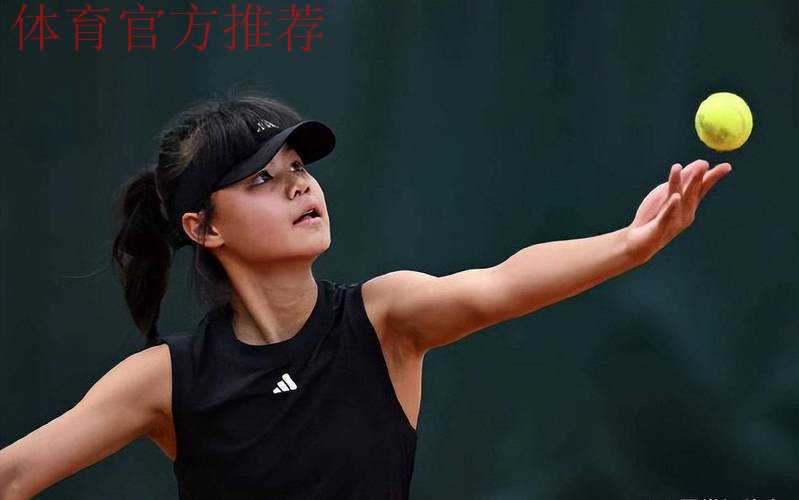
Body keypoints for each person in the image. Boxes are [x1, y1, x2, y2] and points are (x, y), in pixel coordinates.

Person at [0, 89, 732, 499]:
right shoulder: (165, 380)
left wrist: (629, 244)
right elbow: (15, 474)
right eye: (261, 179)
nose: (297, 185)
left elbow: (503, 281)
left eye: (297, 166)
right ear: (204, 227)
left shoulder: (384, 320)